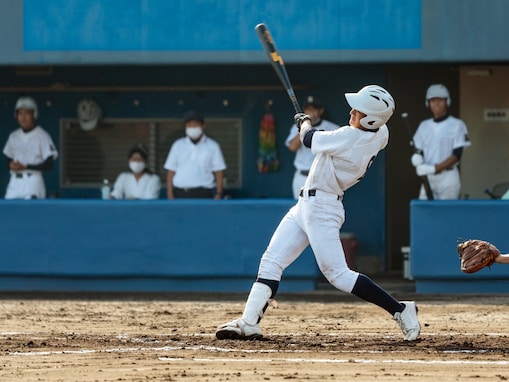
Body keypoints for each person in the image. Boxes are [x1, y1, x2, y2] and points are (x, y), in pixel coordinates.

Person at [215, 85, 421, 342]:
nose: (352, 111)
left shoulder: (350, 136)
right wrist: (309, 125)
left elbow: (309, 140)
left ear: (370, 119)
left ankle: (401, 310)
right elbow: (322, 138)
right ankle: (249, 322)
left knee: (338, 275)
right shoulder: (381, 133)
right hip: (306, 205)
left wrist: (305, 123)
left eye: (358, 110)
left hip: (322, 207)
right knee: (271, 261)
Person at [411, 84, 471, 200]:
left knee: (446, 213)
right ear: (428, 103)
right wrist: (417, 158)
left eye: (440, 100)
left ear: (447, 101)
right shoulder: (424, 126)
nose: (436, 103)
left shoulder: (457, 125)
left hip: (448, 177)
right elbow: (418, 150)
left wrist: (435, 168)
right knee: (426, 212)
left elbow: (457, 156)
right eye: (433, 100)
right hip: (428, 177)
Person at [3, 96, 59, 199]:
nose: (23, 117)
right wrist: (11, 165)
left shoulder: (42, 135)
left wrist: (27, 167)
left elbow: (49, 164)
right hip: (14, 181)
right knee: (8, 211)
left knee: (31, 212)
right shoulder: (13, 136)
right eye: (20, 113)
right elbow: (7, 160)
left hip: (32, 180)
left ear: (34, 114)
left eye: (27, 113)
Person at [285, 96, 339, 199]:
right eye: (308, 109)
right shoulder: (297, 128)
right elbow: (292, 147)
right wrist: (304, 127)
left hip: (322, 178)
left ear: (320, 111)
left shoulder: (332, 128)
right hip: (302, 177)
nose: (310, 112)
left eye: (313, 109)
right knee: (300, 212)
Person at [164, 111, 226, 199]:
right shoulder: (177, 145)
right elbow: (171, 171)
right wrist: (170, 193)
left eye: (195, 125)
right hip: (180, 193)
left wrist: (219, 193)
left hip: (203, 193)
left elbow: (219, 171)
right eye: (189, 125)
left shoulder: (213, 146)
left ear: (203, 126)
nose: (192, 128)